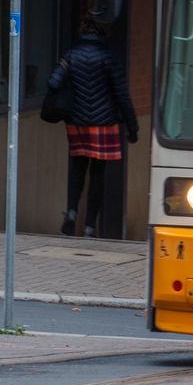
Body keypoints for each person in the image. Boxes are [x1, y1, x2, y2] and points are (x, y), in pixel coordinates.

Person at [51, 16, 138, 238]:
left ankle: (72, 212)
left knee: (77, 169)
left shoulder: (71, 55)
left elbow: (53, 82)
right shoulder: (109, 57)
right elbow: (122, 94)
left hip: (77, 121)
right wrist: (132, 126)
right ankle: (90, 226)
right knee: (97, 174)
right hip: (104, 123)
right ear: (103, 32)